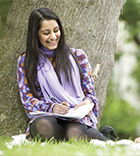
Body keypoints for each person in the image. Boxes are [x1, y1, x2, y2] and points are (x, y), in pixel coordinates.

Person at [17, 7, 118, 142]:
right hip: (48, 116)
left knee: (74, 132)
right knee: (43, 127)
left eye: (56, 30)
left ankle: (105, 137)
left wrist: (87, 103)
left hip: (77, 117)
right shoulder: (26, 61)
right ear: (35, 34)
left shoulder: (78, 56)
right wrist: (52, 107)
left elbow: (91, 95)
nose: (53, 37)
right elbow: (27, 100)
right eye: (46, 33)